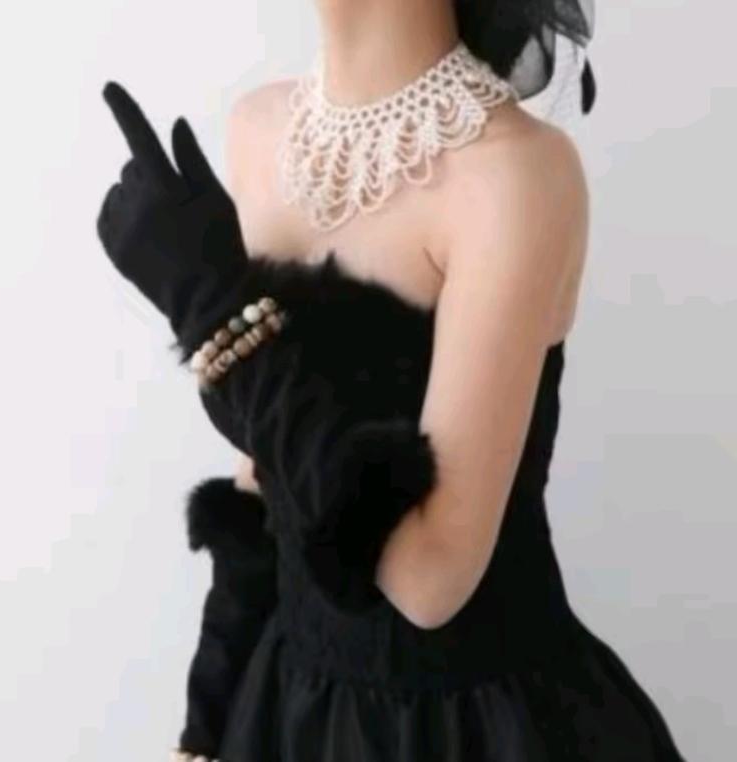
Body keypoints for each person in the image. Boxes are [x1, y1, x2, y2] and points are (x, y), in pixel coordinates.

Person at [96, 1, 689, 760]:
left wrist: (212, 307)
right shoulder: (260, 132)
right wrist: (207, 721)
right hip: (288, 706)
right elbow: (265, 474)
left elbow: (430, 580)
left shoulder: (515, 176)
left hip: (472, 728)